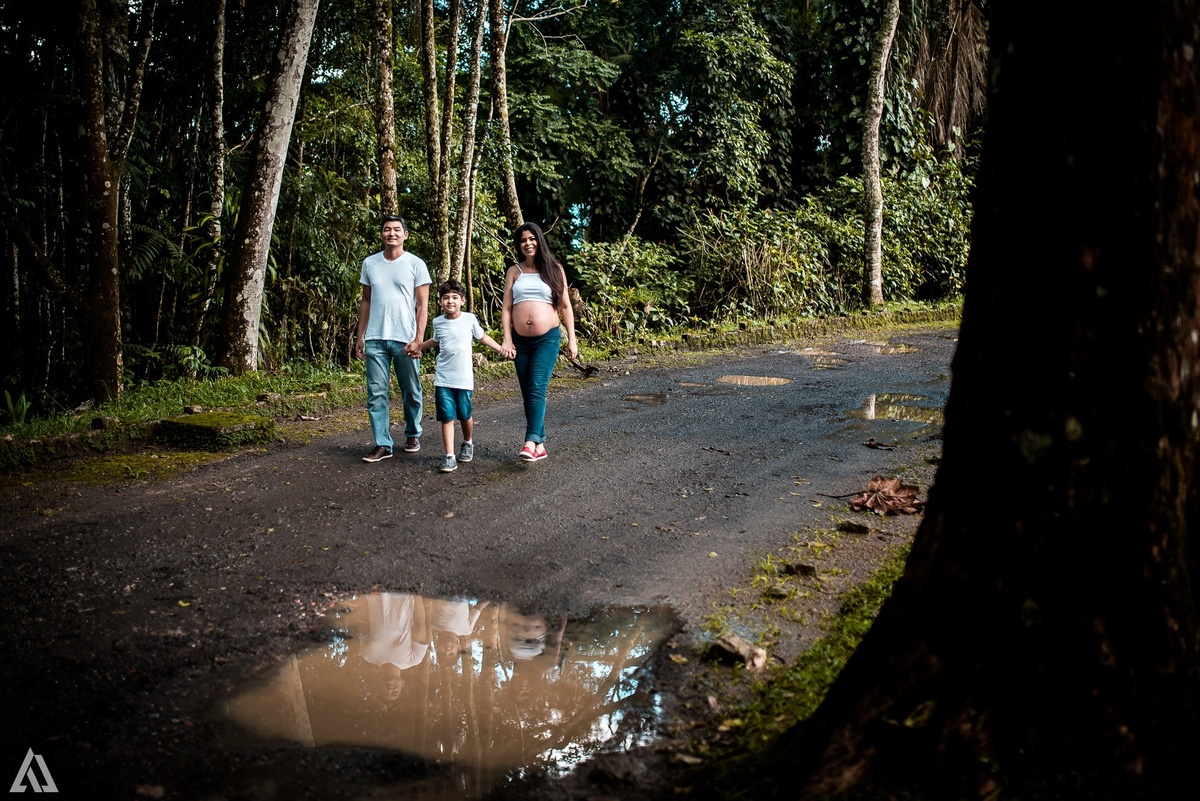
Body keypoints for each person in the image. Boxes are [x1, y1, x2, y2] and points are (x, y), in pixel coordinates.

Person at [355, 214, 431, 462]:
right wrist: (361, 335)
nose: (392, 234)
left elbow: (422, 305)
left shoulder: (416, 264)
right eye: (387, 229)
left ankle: (412, 433)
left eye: (397, 229)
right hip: (375, 338)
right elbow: (366, 300)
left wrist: (419, 338)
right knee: (376, 392)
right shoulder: (370, 263)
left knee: (411, 390)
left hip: (405, 338)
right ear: (382, 234)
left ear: (405, 234)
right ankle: (382, 443)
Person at [500, 222, 578, 462]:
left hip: (548, 338)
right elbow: (506, 308)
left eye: (532, 238)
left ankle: (530, 440)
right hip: (520, 342)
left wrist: (572, 340)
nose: (528, 243)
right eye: (523, 240)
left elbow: (565, 306)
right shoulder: (515, 271)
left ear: (539, 241)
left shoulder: (555, 269)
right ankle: (540, 444)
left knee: (536, 387)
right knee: (528, 392)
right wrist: (507, 338)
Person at [419, 279, 511, 473]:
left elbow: (482, 337)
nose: (450, 301)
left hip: (464, 379)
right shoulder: (438, 322)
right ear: (440, 302)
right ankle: (449, 456)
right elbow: (435, 341)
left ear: (462, 300)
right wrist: (417, 347)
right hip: (443, 378)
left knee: (465, 415)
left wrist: (501, 348)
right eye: (445, 298)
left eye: (454, 297)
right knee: (447, 417)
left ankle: (468, 442)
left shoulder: (470, 319)